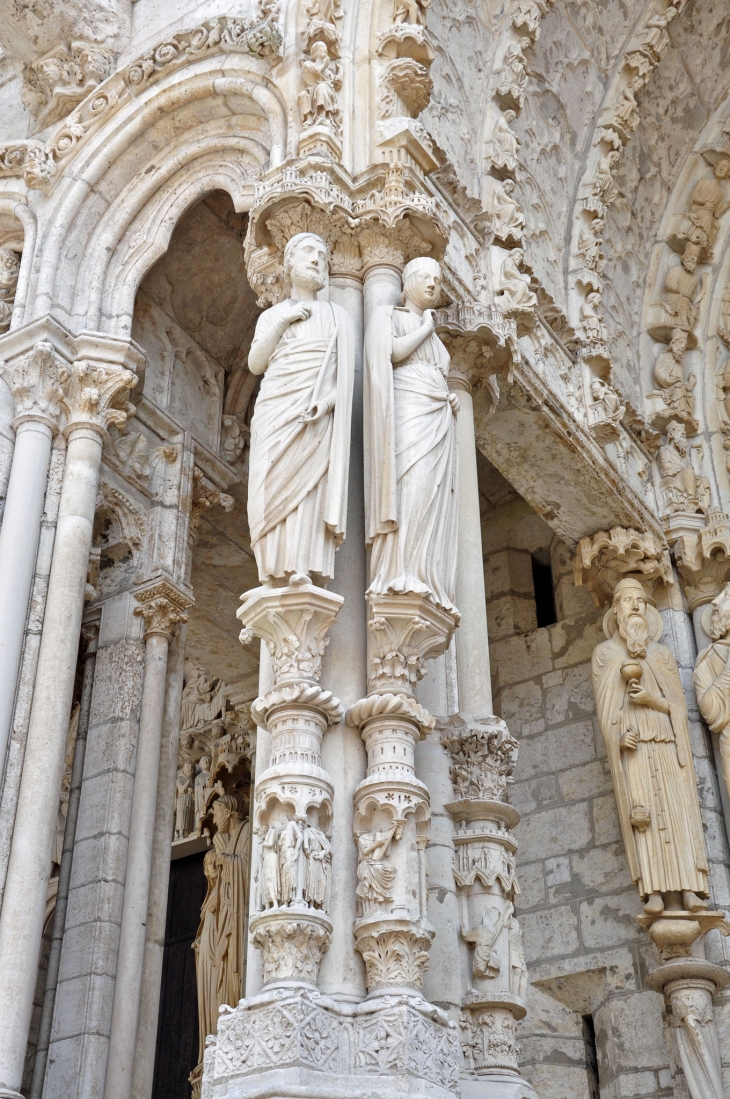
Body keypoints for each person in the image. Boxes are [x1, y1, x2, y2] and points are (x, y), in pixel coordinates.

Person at [247, 233, 354, 584]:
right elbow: (255, 363)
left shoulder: (339, 315)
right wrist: (281, 322)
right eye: (308, 252)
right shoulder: (273, 315)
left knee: (308, 489)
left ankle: (301, 567)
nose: (317, 259)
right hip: (276, 410)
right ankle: (271, 571)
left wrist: (325, 404)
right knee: (269, 482)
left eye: (323, 255)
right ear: (289, 262)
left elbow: (347, 383)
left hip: (315, 417)